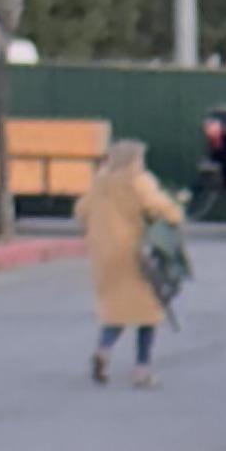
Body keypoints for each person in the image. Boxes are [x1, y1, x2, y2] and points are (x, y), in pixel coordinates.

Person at [74, 137, 185, 387]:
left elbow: (81, 211)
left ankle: (103, 350)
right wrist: (175, 215)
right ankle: (142, 369)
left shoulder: (100, 181)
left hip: (104, 255)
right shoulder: (139, 181)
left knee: (117, 309)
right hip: (134, 254)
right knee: (147, 312)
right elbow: (158, 207)